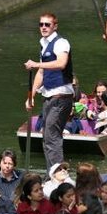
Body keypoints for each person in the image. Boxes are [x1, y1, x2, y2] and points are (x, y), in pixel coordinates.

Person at [23, 12, 75, 168]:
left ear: (55, 26)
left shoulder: (61, 43)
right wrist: (31, 96)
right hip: (49, 97)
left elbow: (61, 63)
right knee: (47, 137)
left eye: (47, 24)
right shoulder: (43, 43)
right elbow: (41, 73)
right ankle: (52, 174)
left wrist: (37, 64)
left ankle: (58, 176)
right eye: (41, 24)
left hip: (60, 97)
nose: (44, 27)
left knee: (51, 137)